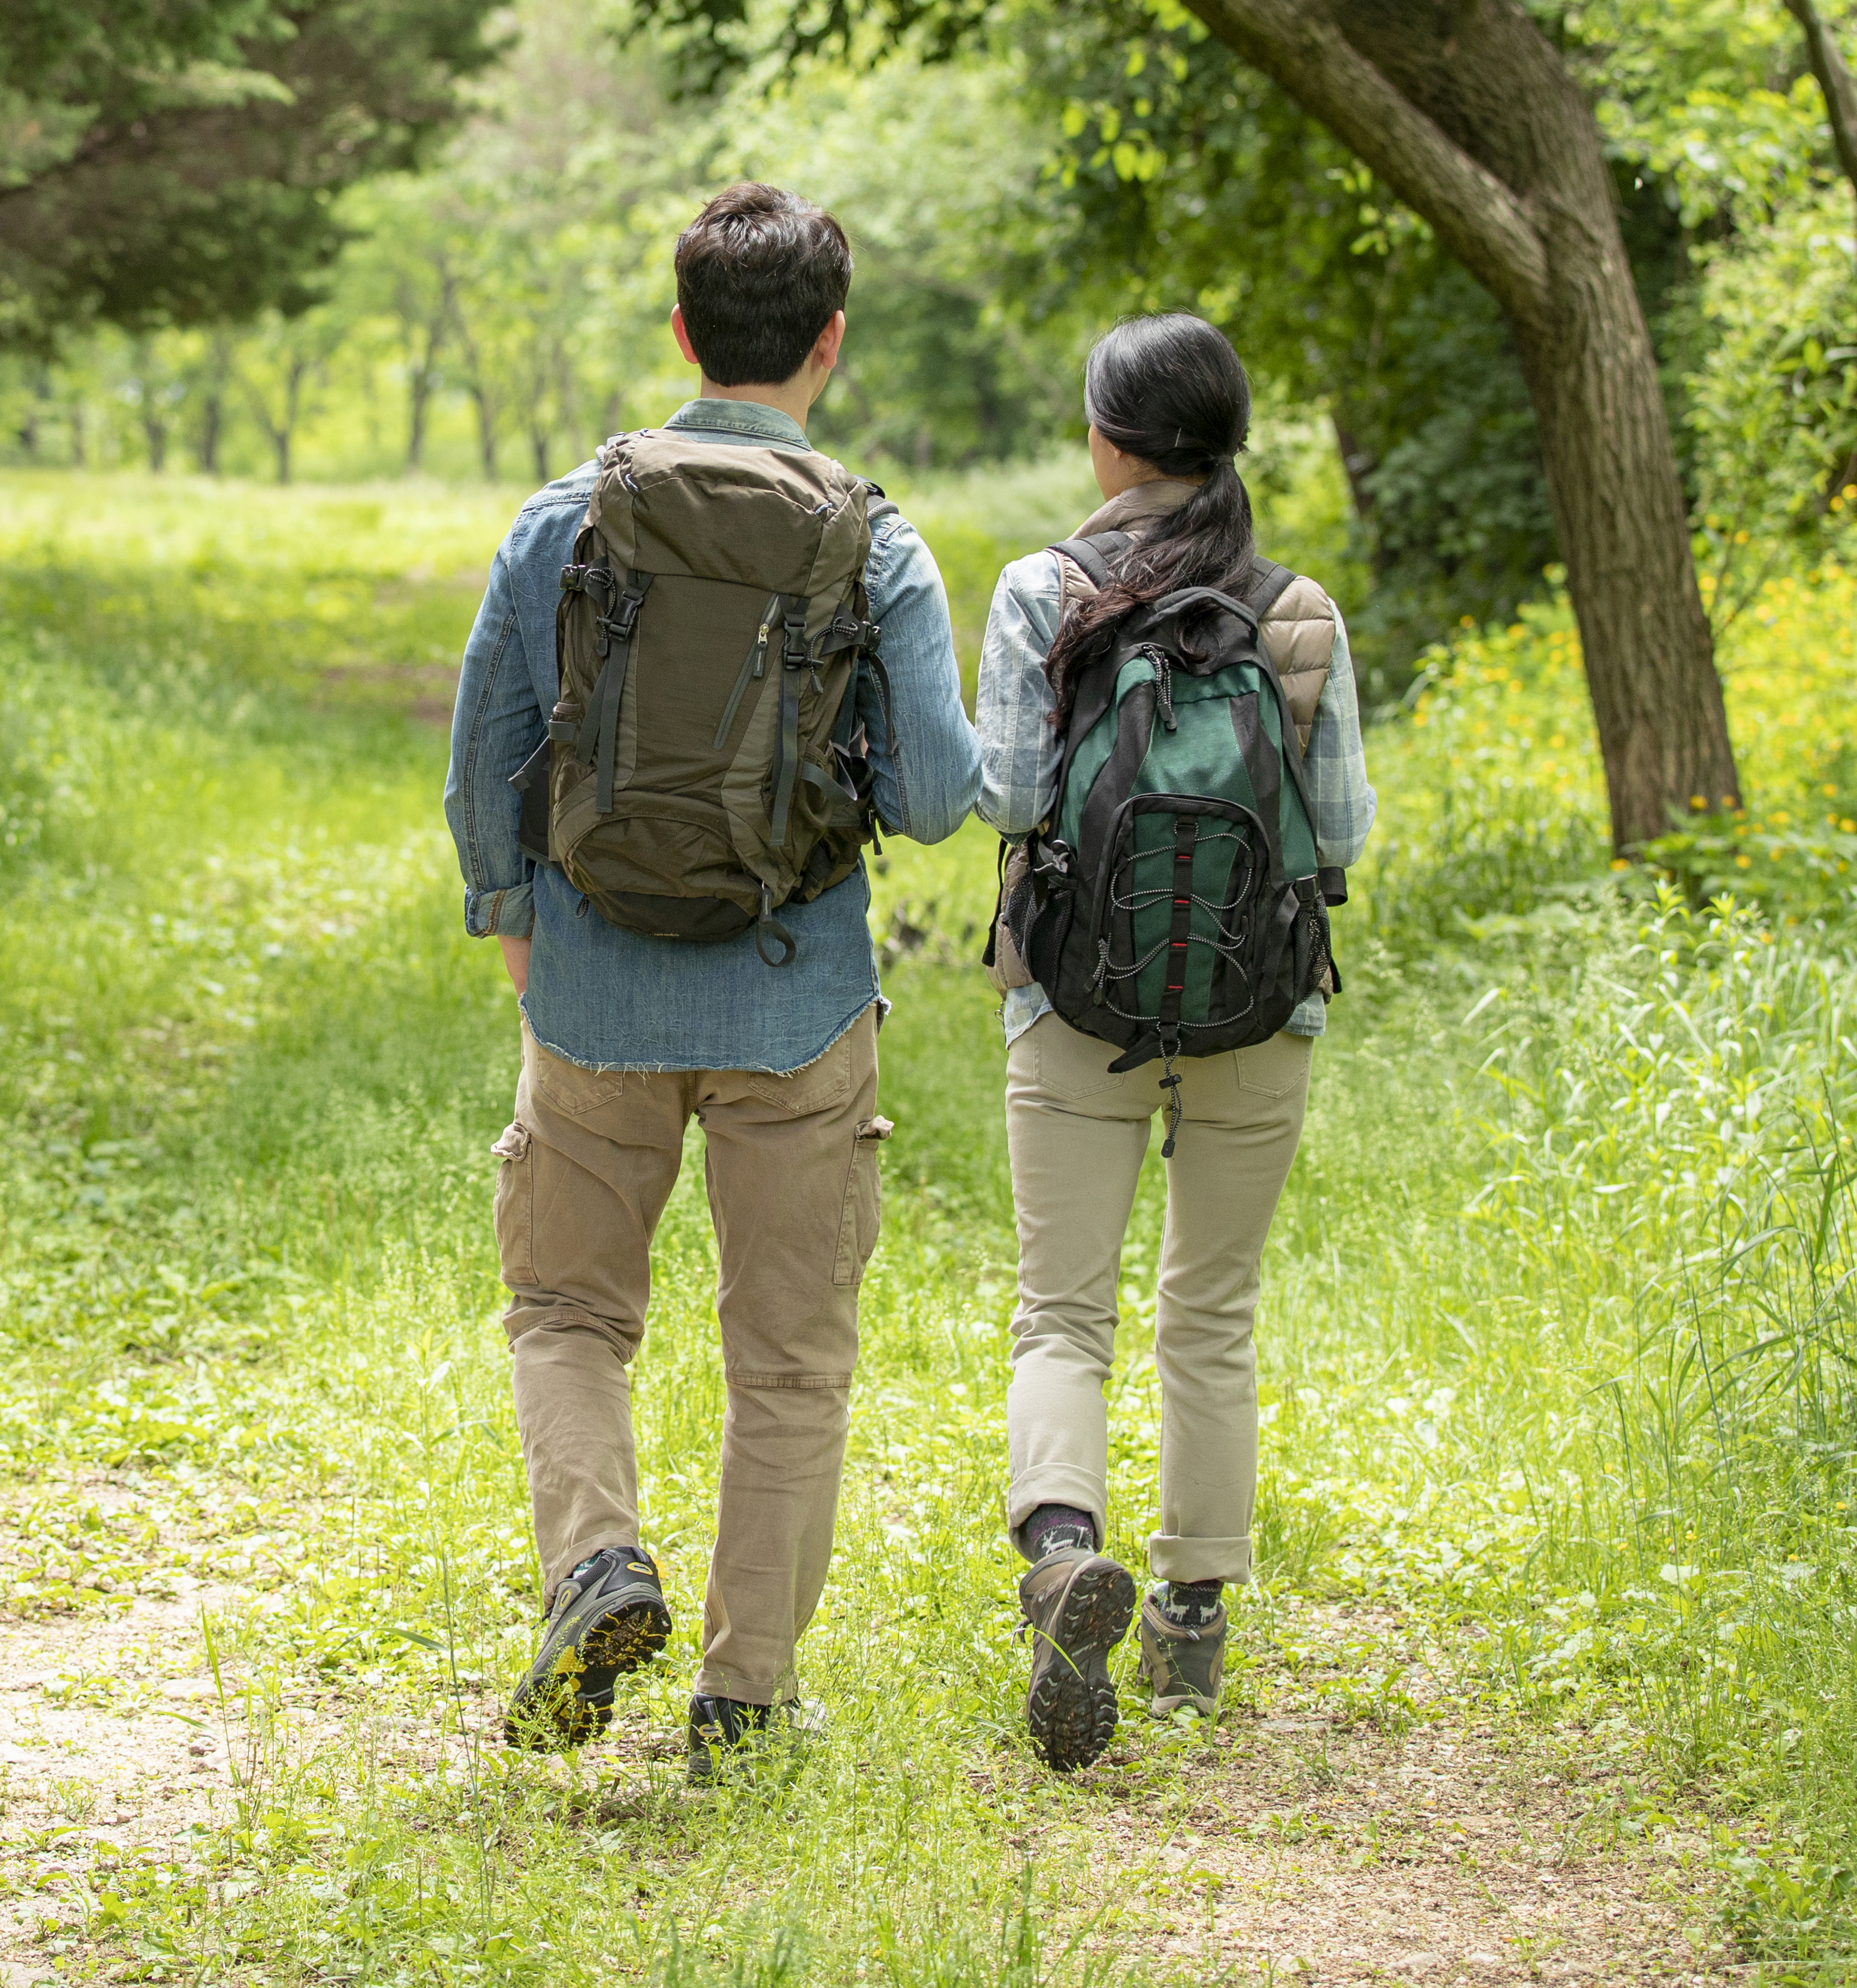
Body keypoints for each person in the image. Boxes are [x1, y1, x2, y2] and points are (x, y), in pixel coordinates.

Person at [445, 182, 981, 1779]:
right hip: (793, 999)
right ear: (828, 343)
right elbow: (941, 795)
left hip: (594, 997)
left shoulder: (565, 517)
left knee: (561, 1313)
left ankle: (598, 1563)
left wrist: (518, 927)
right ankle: (745, 1701)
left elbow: (484, 757)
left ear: (678, 332)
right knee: (788, 1363)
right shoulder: (871, 539)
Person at [972, 314, 1377, 1768]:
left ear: (1105, 438)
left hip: (1074, 999)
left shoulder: (1042, 589)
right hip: (1258, 1009)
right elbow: (1336, 833)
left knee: (1059, 1314)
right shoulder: (1298, 609)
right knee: (1208, 1317)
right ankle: (1192, 1621)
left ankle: (1062, 1550)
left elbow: (1011, 793)